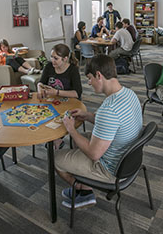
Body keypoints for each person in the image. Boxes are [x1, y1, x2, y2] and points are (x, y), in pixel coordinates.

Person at [55, 54, 143, 209]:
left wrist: (70, 129)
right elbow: (115, 123)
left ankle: (83, 191)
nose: (89, 83)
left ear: (99, 75)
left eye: (90, 78)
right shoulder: (129, 94)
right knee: (78, 141)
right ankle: (83, 189)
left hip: (111, 169)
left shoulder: (109, 109)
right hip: (128, 158)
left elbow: (94, 154)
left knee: (56, 159)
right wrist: (88, 116)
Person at [37, 44, 82, 149]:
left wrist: (56, 92)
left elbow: (77, 93)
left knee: (56, 117)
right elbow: (41, 82)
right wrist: (40, 88)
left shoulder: (73, 70)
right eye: (51, 57)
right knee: (43, 114)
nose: (52, 60)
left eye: (56, 58)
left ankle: (56, 139)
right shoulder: (49, 66)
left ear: (65, 59)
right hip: (53, 101)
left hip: (70, 102)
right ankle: (54, 139)